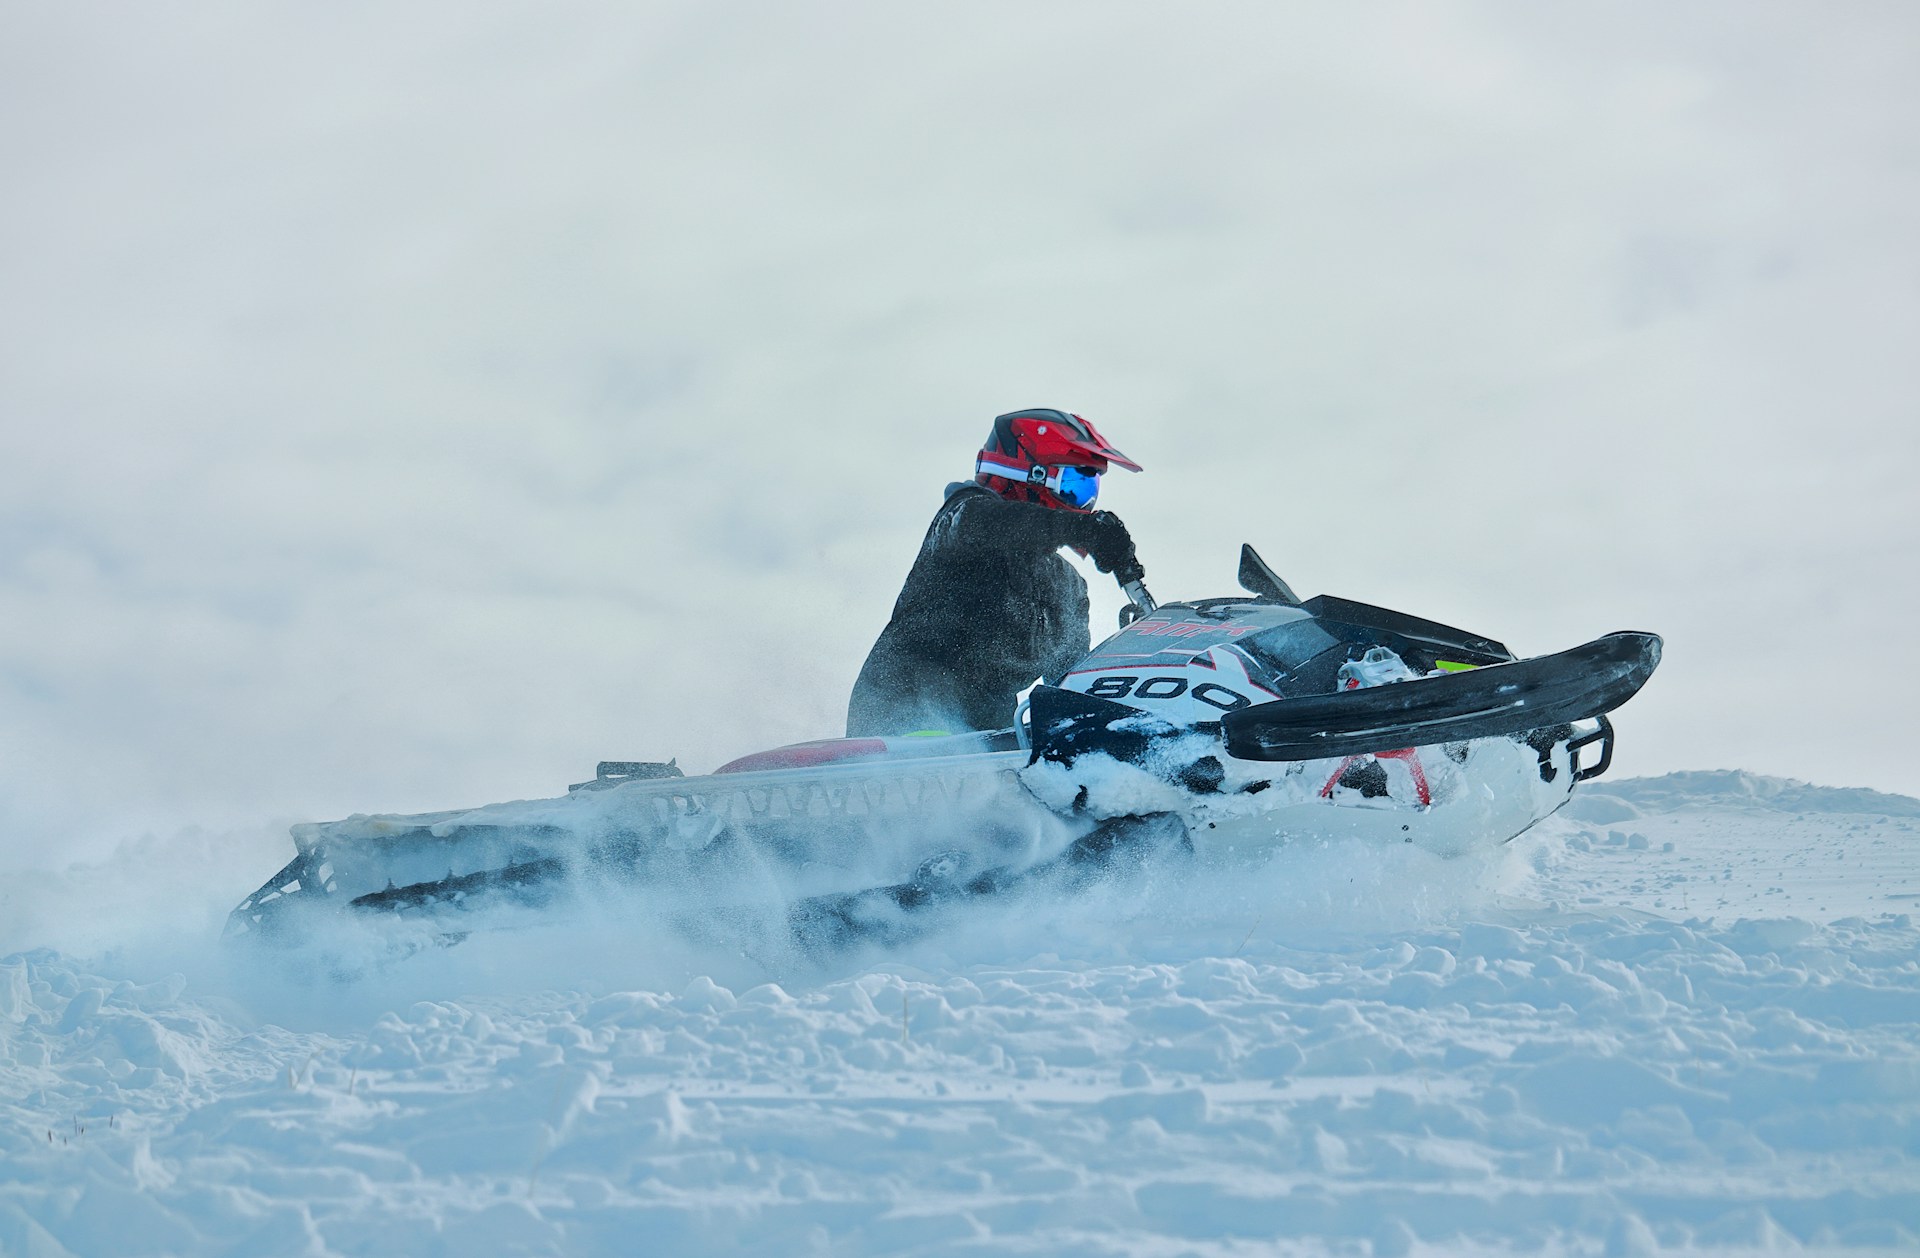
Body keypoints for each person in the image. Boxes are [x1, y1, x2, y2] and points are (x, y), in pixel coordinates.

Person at [846, 408, 1144, 737]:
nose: (1083, 504)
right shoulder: (962, 522)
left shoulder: (1066, 586)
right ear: (1029, 475)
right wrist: (1080, 528)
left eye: (1090, 489)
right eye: (1073, 485)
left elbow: (1070, 688)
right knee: (950, 750)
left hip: (988, 736)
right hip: (903, 713)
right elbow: (987, 522)